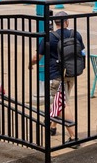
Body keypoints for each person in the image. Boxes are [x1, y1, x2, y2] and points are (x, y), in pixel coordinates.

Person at [28, 11, 85, 147]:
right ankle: (52, 126)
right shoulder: (75, 34)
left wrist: (30, 65)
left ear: (55, 23)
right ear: (67, 21)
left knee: (62, 104)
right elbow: (82, 52)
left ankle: (73, 137)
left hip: (56, 76)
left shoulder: (50, 37)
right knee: (60, 101)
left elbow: (37, 58)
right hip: (71, 74)